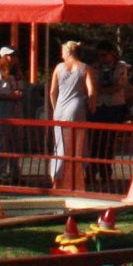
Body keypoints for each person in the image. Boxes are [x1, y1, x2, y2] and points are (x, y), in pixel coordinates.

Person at [49, 39, 95, 189]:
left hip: (60, 108)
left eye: (63, 52)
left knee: (59, 145)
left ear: (68, 52)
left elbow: (52, 92)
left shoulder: (58, 68)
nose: (61, 55)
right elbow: (91, 91)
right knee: (77, 145)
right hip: (76, 107)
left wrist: (55, 108)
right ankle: (75, 180)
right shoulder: (85, 68)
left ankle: (56, 178)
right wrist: (92, 106)